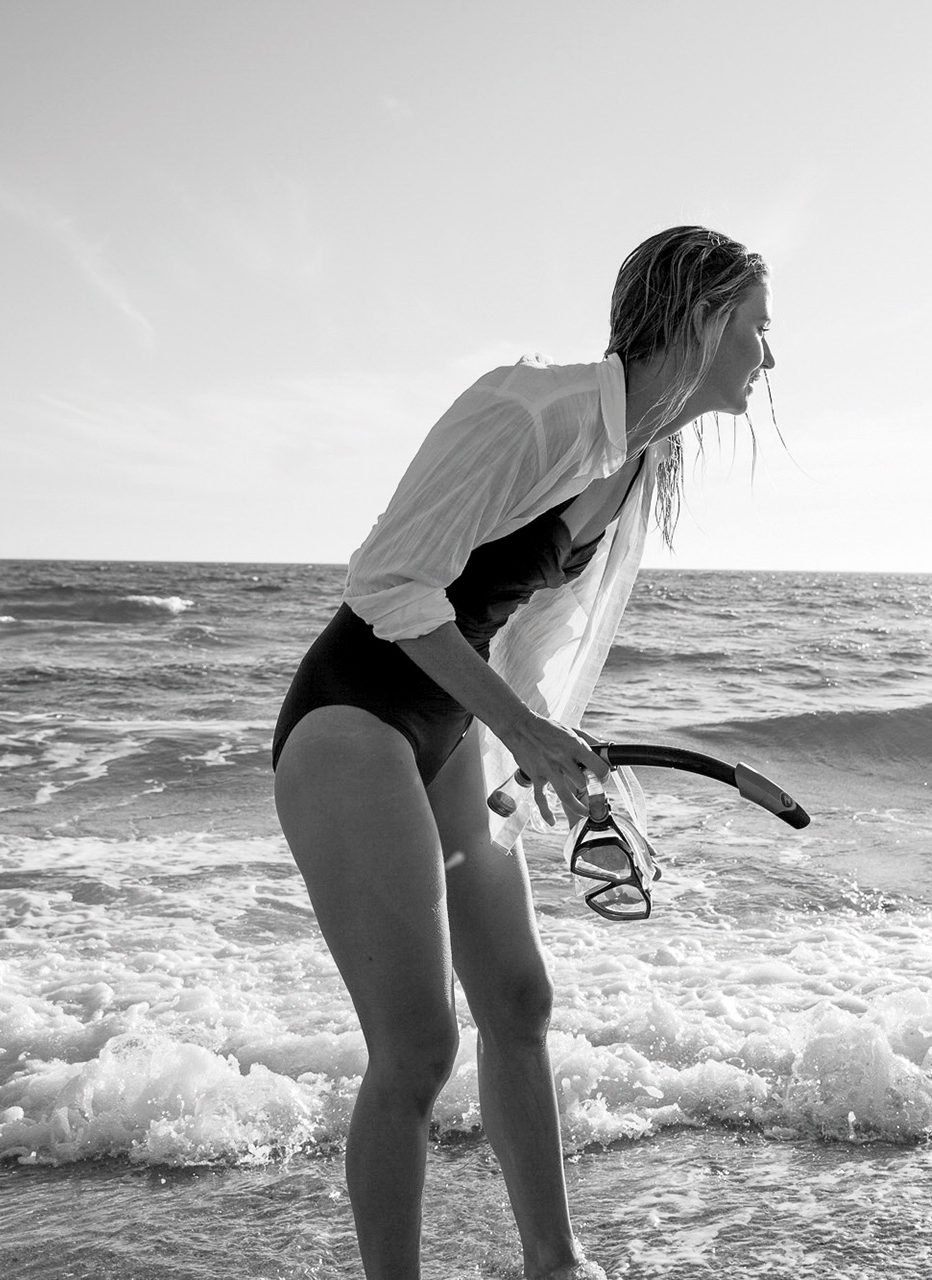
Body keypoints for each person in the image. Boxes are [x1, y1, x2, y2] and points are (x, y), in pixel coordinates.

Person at [271, 227, 774, 1280]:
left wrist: (546, 738)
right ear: (705, 317)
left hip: (450, 726)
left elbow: (526, 630)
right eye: (757, 330)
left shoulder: (640, 460)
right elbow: (388, 585)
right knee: (417, 1051)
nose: (767, 359)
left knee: (521, 1002)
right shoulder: (526, 409)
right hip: (352, 721)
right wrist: (519, 727)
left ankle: (558, 1263)